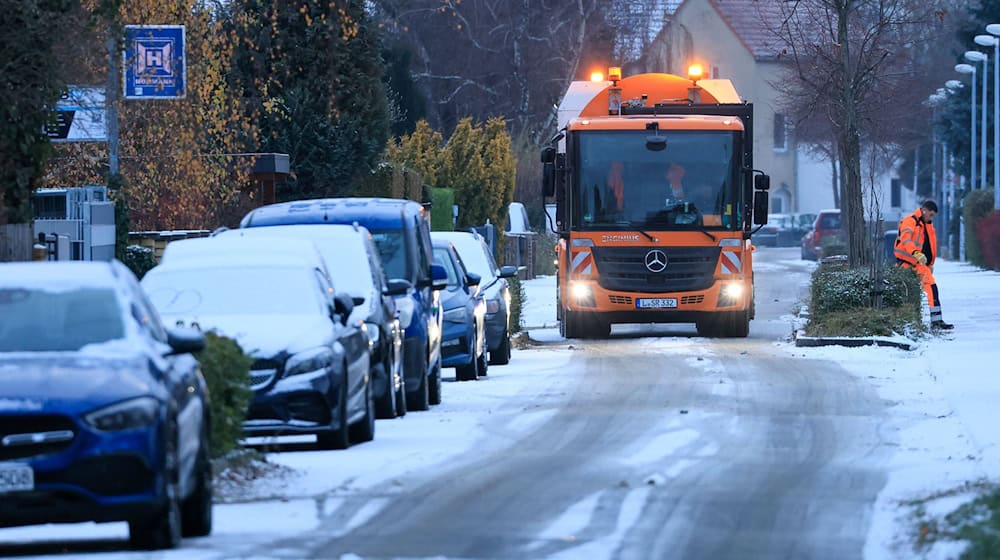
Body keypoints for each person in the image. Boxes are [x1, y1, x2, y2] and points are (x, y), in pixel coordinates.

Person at [894, 200, 953, 330]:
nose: (932, 218)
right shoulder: (910, 221)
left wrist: (930, 263)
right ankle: (903, 321)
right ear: (924, 210)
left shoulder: (926, 224)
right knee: (904, 293)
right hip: (906, 263)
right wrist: (915, 253)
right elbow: (906, 240)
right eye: (931, 214)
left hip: (918, 264)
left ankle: (936, 321)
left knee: (932, 288)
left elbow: (930, 245)